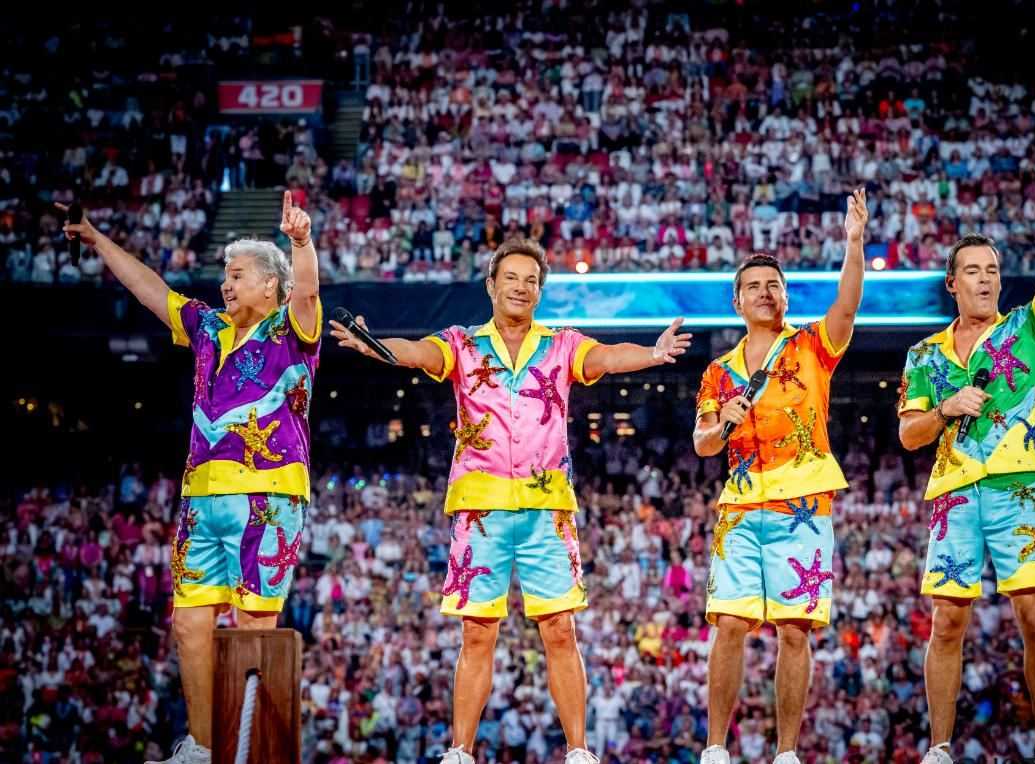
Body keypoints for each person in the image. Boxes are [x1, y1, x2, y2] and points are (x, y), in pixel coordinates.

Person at [330, 237, 691, 764]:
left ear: (540, 292)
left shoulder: (562, 345)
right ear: (491, 286)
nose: (521, 287)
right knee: (477, 634)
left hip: (548, 509)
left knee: (560, 630)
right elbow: (419, 352)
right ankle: (460, 751)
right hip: (480, 509)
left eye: (531, 281)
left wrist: (653, 354)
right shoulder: (462, 343)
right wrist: (377, 347)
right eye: (512, 279)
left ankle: (578, 751)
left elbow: (609, 357)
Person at [61, 192, 322, 764]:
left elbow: (306, 291)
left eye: (237, 276)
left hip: (268, 496)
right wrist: (99, 240)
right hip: (200, 497)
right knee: (188, 625)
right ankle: (201, 746)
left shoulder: (292, 330)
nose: (226, 285)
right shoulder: (207, 328)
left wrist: (301, 243)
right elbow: (151, 290)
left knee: (254, 627)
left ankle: (255, 752)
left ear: (269, 286)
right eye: (225, 276)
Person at [897, 138, 1035, 764]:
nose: (986, 278)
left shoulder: (1026, 328)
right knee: (947, 622)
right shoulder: (924, 356)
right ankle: (940, 747)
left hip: (1017, 486)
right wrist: (945, 409)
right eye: (973, 270)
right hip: (954, 494)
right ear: (952, 283)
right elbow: (909, 434)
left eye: (992, 269)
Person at [691, 189, 868, 764]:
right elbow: (702, 443)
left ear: (786, 295)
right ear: (737, 300)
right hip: (740, 505)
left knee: (795, 630)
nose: (766, 292)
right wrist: (723, 422)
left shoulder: (813, 344)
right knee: (730, 624)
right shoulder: (718, 372)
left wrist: (854, 242)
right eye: (755, 286)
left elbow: (847, 304)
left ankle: (786, 752)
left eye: (775, 284)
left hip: (805, 502)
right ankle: (715, 749)